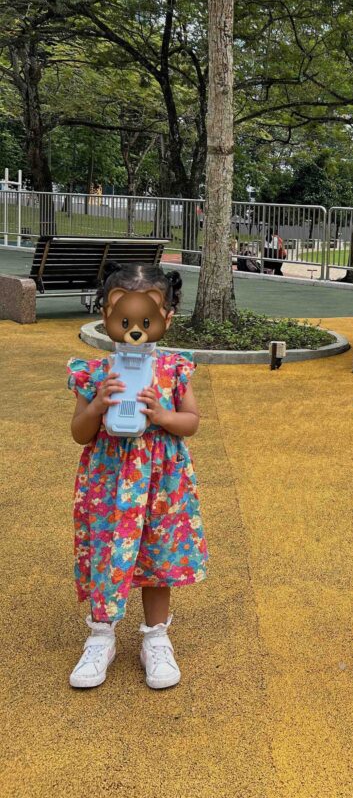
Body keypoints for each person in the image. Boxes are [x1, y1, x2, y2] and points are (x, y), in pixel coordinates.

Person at [66, 265, 207, 690]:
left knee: (158, 555)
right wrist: (95, 406)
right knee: (107, 552)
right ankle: (101, 635)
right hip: (109, 484)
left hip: (161, 485)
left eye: (146, 319)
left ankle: (156, 636)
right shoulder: (94, 373)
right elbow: (79, 433)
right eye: (123, 318)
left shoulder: (173, 369)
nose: (134, 329)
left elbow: (192, 422)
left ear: (167, 318)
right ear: (106, 316)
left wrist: (163, 415)